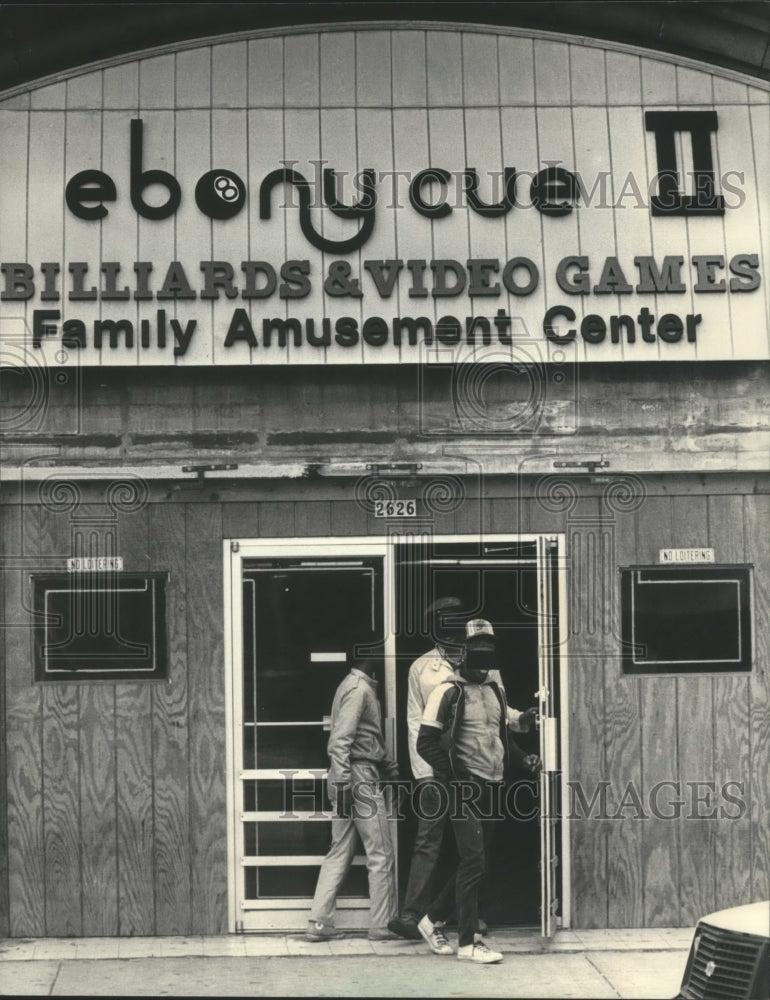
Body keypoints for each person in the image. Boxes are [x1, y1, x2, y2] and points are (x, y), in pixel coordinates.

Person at [388, 601, 537, 942]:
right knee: (430, 839)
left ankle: (472, 915)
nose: (452, 627)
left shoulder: (485, 664)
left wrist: (522, 720)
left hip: (479, 771)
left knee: (477, 847)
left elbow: (498, 711)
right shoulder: (422, 668)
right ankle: (413, 914)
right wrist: (425, 773)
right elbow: (416, 724)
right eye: (444, 622)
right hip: (438, 771)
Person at [306, 655, 400, 942]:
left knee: (339, 851)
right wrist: (347, 782)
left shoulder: (350, 686)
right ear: (372, 661)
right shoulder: (359, 690)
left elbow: (358, 738)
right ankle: (383, 924)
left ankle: (320, 923)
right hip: (357, 777)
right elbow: (341, 741)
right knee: (381, 853)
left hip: (348, 776)